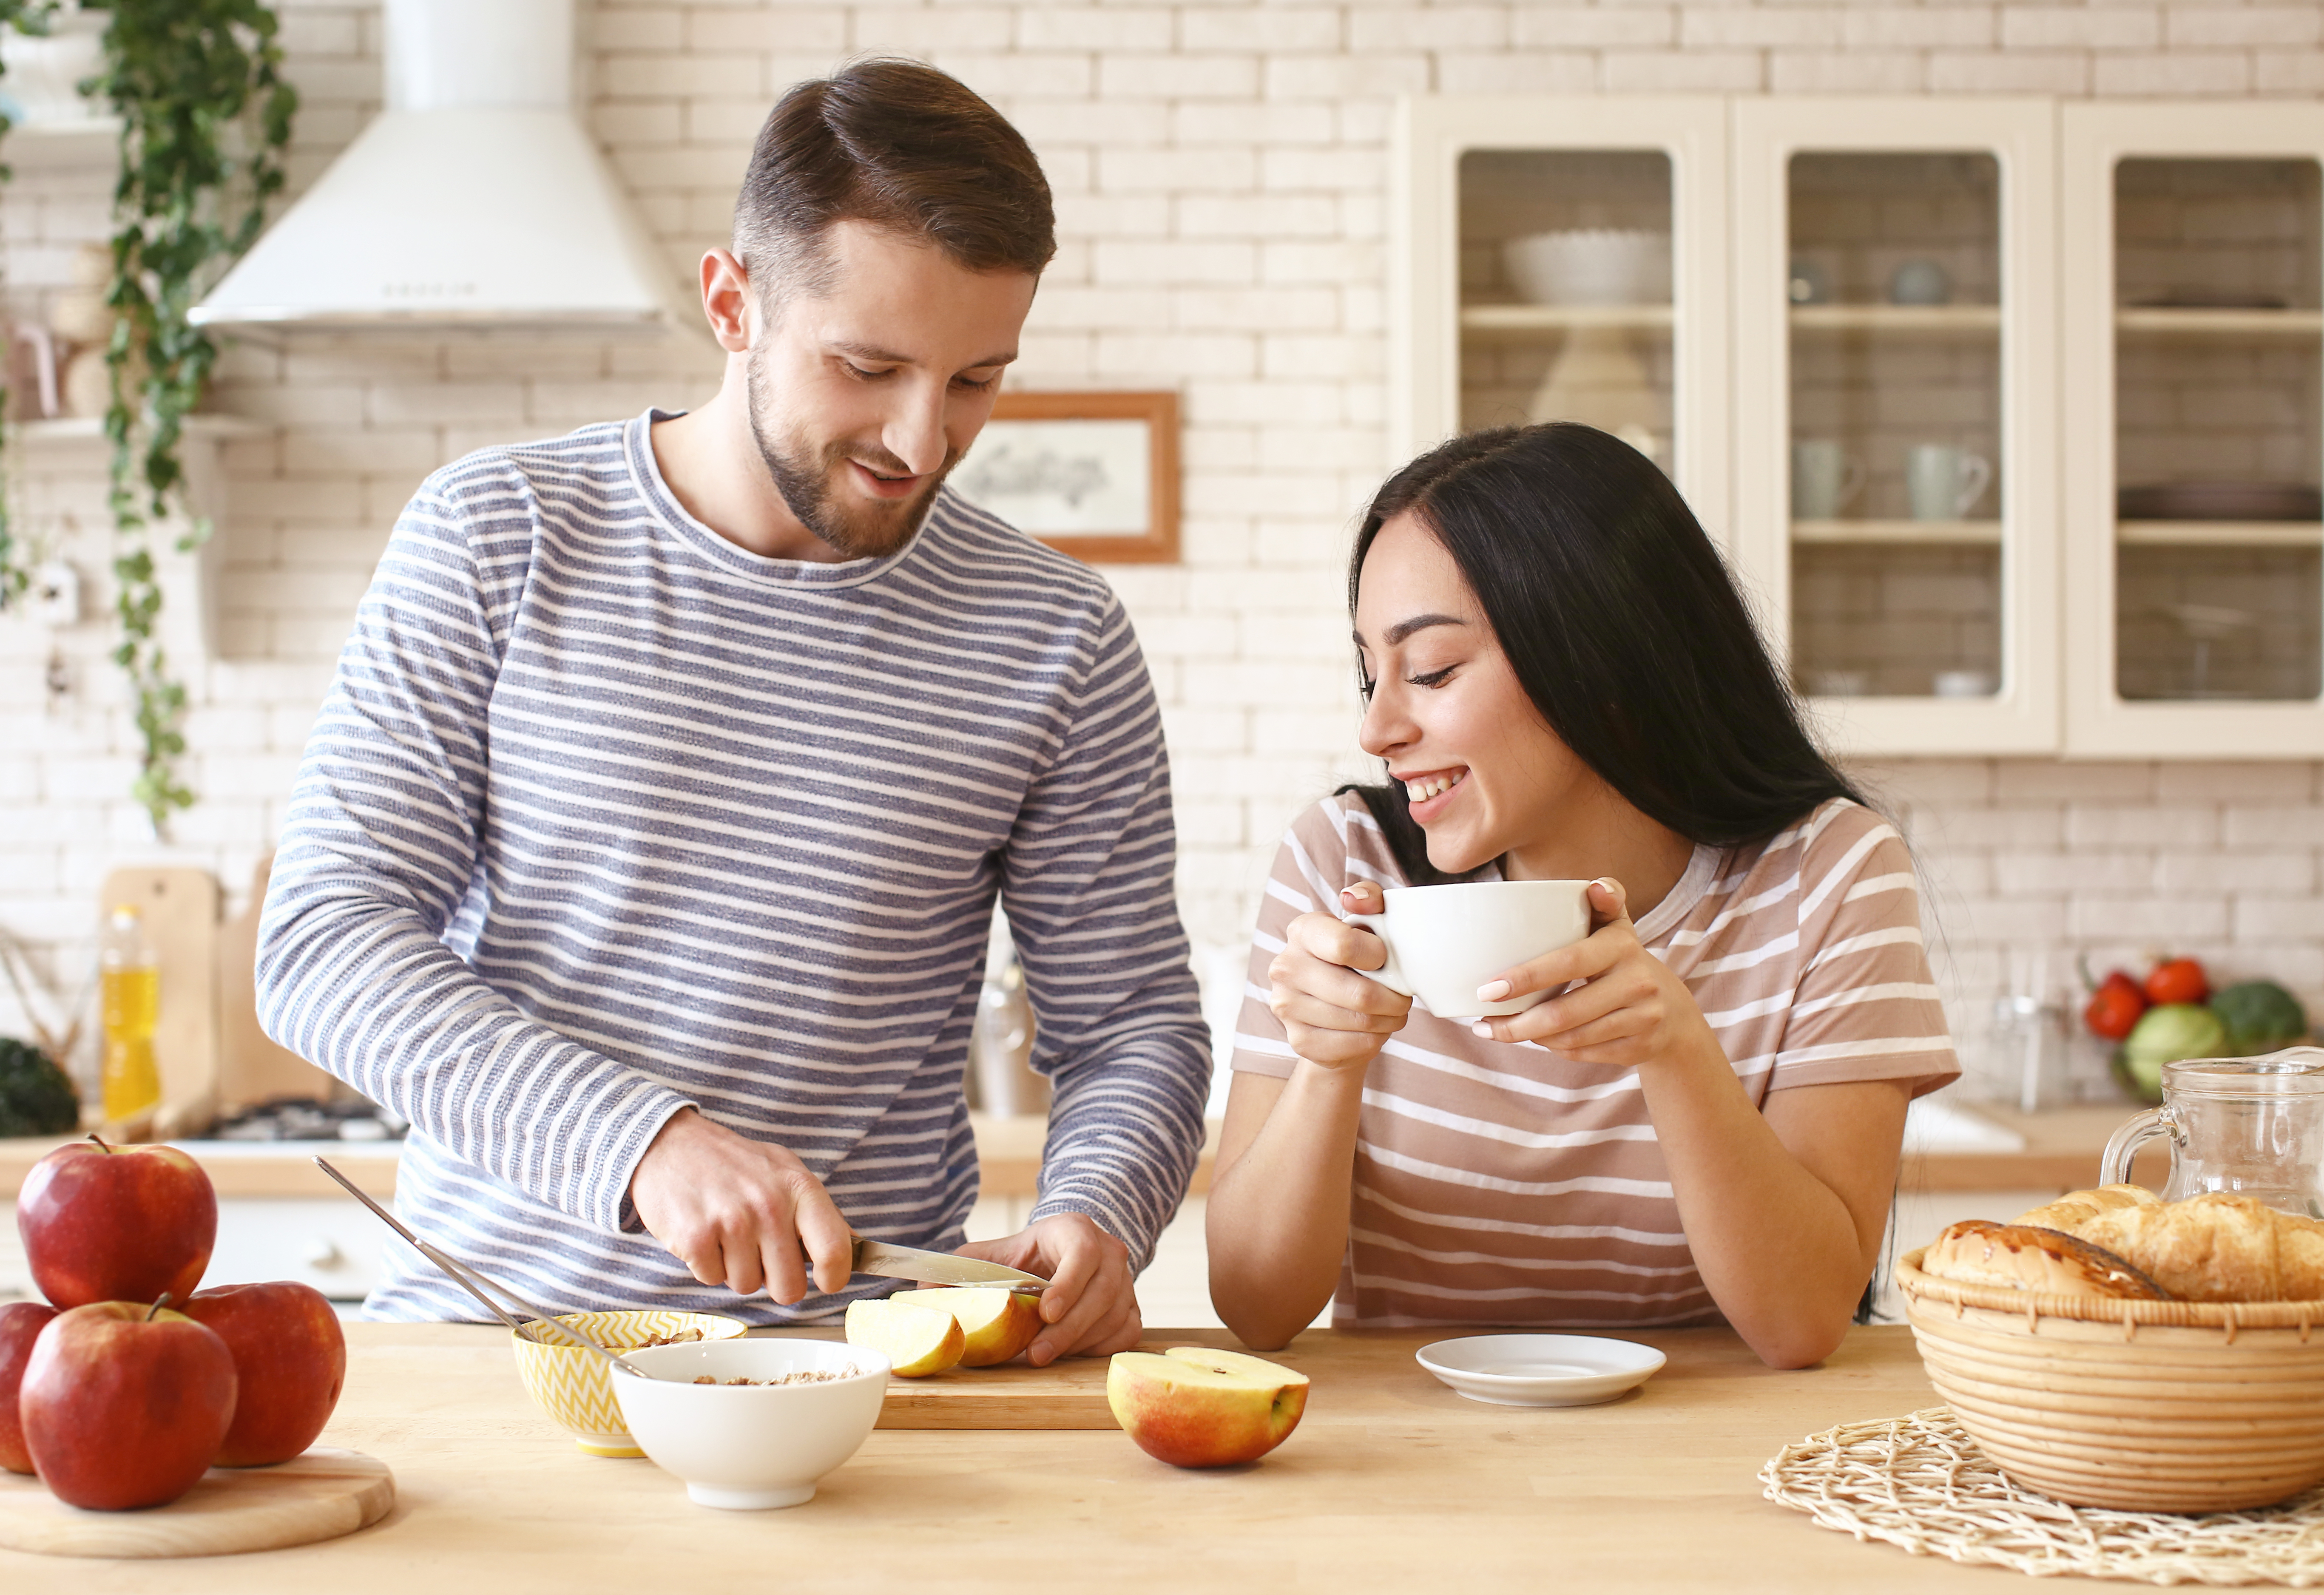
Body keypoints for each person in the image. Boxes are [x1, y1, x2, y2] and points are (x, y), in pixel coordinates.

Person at [256, 60, 1208, 1365]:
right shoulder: (498, 535)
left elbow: (1132, 1025)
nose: (921, 442)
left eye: (977, 380)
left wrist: (1103, 1208)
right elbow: (322, 940)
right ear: (731, 303)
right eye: (868, 367)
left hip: (862, 1386)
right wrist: (642, 1141)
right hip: (493, 1358)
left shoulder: (1055, 634)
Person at [1205, 423, 1957, 1369]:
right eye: (1371, 672)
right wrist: (1327, 1062)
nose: (1377, 727)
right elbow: (1255, 1307)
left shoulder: (1827, 875)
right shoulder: (1347, 863)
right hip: (1407, 1466)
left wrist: (1676, 1049)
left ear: (1598, 658)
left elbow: (1804, 1321)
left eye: (1431, 671)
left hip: (1719, 1461)